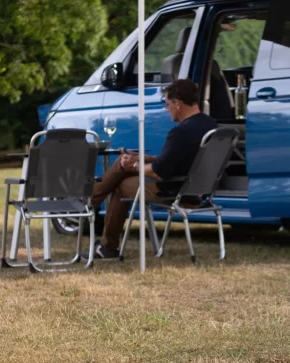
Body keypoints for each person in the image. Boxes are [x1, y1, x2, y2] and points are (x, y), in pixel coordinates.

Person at [90, 79, 217, 258]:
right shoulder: (210, 125)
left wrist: (133, 165)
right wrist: (141, 159)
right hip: (196, 190)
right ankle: (92, 201)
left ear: (178, 104)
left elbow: (159, 171)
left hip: (172, 190)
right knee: (124, 163)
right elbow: (179, 160)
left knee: (120, 185)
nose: (167, 109)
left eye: (167, 104)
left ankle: (103, 236)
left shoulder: (180, 132)